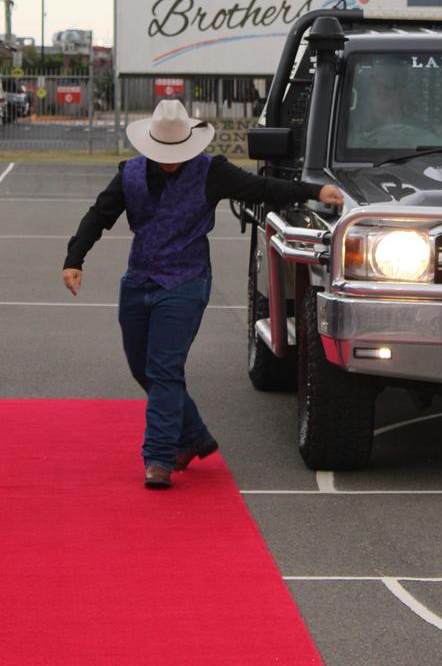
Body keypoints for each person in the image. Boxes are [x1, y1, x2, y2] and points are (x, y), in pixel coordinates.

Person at [62, 100, 343, 490]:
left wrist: (315, 191)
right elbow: (99, 215)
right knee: (142, 367)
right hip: (138, 281)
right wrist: (74, 259)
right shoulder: (130, 174)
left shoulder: (212, 172)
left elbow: (262, 188)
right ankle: (195, 436)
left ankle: (158, 457)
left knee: (163, 368)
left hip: (186, 282)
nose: (170, 161)